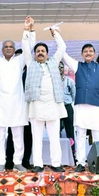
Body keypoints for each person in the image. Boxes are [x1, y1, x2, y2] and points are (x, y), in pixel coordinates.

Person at [0, 19, 35, 172]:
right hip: (0, 104)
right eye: (6, 47)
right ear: (2, 50)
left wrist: (27, 31)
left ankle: (17, 161)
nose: (8, 49)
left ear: (14, 49)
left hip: (17, 103)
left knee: (18, 136)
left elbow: (28, 48)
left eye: (11, 47)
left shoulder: (20, 60)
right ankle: (0, 163)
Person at [62, 42, 99, 172]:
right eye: (86, 51)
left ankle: (97, 162)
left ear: (94, 54)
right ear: (82, 54)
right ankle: (80, 163)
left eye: (91, 51)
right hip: (81, 105)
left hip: (96, 105)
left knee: (96, 136)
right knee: (80, 135)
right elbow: (64, 55)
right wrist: (56, 36)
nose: (88, 53)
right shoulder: (77, 65)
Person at [23, 16, 67, 173]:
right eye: (38, 51)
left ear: (47, 54)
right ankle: (38, 164)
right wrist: (27, 29)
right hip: (37, 105)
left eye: (43, 51)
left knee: (55, 137)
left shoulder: (53, 63)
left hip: (53, 104)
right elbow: (25, 47)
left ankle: (56, 163)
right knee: (37, 137)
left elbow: (62, 47)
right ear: (35, 54)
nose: (40, 53)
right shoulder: (30, 63)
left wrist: (54, 33)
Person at [59, 61, 76, 164]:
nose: (59, 69)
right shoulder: (51, 81)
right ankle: (58, 156)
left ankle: (72, 153)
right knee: (56, 132)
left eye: (61, 67)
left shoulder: (69, 81)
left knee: (70, 131)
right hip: (56, 108)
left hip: (67, 107)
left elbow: (74, 94)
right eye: (57, 67)